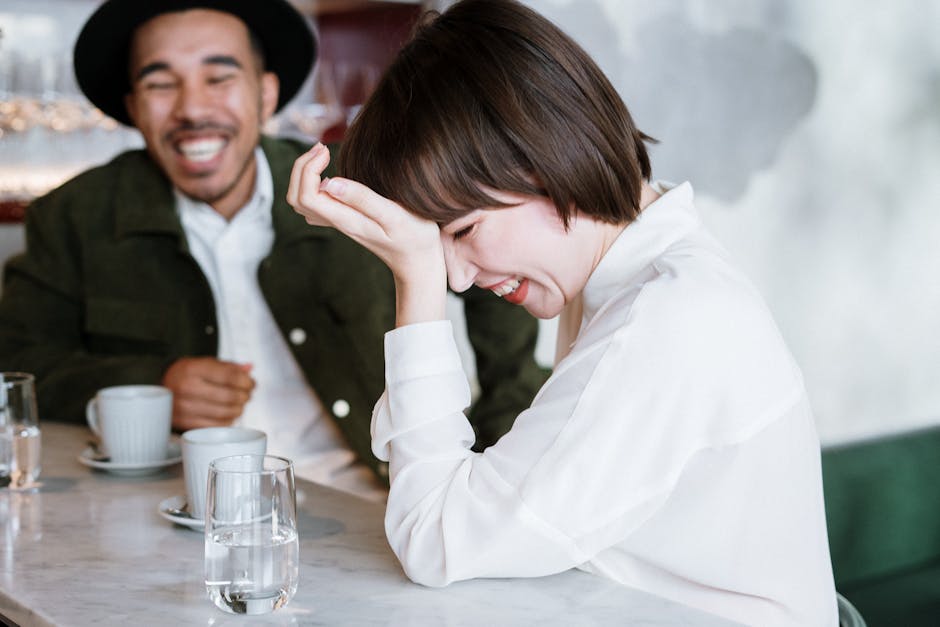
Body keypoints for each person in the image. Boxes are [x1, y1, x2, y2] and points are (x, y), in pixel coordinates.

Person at [287, 0, 838, 623]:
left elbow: (432, 538)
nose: (458, 277)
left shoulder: (666, 323)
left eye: (463, 230)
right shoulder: (632, 282)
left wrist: (415, 279)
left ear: (545, 157)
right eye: (436, 248)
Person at [0, 0, 547, 500]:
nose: (193, 109)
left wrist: (495, 469)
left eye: (219, 77)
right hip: (178, 518)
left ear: (265, 94)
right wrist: (154, 382)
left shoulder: (363, 184)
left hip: (375, 506)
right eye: (161, 84)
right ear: (133, 107)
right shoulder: (73, 216)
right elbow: (18, 370)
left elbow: (495, 296)